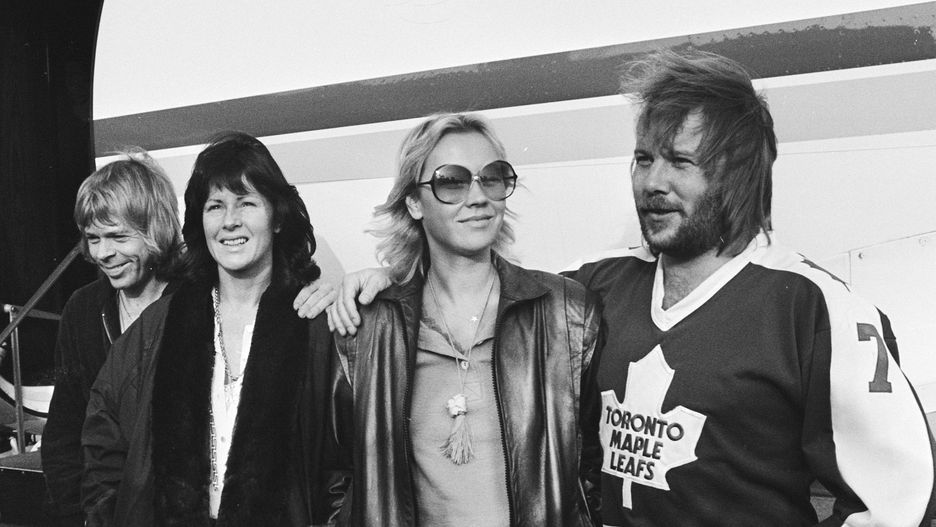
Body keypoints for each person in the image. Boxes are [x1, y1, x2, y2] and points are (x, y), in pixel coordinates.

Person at [328, 51, 936, 526]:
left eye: (680, 161)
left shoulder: (815, 308)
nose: (652, 182)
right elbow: (484, 293)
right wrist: (388, 283)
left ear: (736, 172)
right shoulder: (597, 287)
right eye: (643, 159)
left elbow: (900, 501)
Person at [331, 113, 603, 525]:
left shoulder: (567, 313)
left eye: (492, 177)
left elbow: (594, 470)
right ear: (414, 202)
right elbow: (337, 478)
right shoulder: (367, 328)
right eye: (452, 182)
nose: (478, 197)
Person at [40, 151, 337, 526]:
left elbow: (340, 463)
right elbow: (81, 433)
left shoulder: (197, 299)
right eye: (92, 238)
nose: (103, 253)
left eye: (117, 236)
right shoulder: (98, 311)